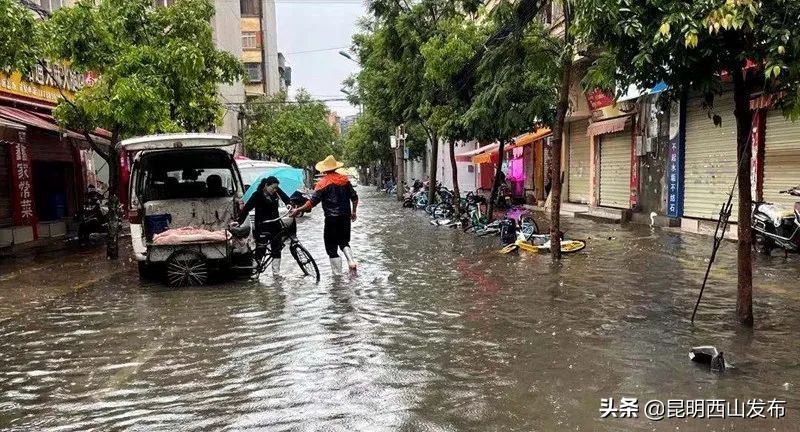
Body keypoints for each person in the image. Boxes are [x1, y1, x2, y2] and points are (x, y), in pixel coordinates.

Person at [291, 155, 358, 274]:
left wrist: (298, 210)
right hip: (344, 217)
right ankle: (351, 261)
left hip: (331, 219)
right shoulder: (345, 180)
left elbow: (312, 203)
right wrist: (353, 212)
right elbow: (355, 198)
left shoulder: (322, 184)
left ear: (324, 169)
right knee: (344, 242)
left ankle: (337, 277)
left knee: (332, 248)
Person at [238, 176, 291, 276]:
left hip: (275, 224)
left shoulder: (276, 192)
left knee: (277, 249)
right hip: (262, 226)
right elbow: (246, 209)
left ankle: (276, 274)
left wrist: (288, 204)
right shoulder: (257, 195)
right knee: (261, 250)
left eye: (276, 188)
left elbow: (286, 198)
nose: (275, 190)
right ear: (266, 185)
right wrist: (239, 222)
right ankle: (255, 272)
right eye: (273, 188)